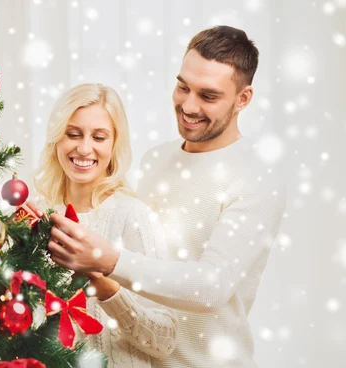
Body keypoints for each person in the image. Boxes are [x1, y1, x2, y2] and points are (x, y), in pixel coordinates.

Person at [43, 26, 287, 367]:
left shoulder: (257, 179)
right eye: (183, 86)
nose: (188, 105)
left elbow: (212, 286)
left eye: (208, 96)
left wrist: (108, 260)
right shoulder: (157, 159)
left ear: (243, 99)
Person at [33, 83, 177, 367]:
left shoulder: (134, 216)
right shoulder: (40, 216)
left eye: (99, 137)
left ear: (114, 144)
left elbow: (165, 341)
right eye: (73, 134)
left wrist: (107, 290)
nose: (84, 148)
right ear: (56, 140)